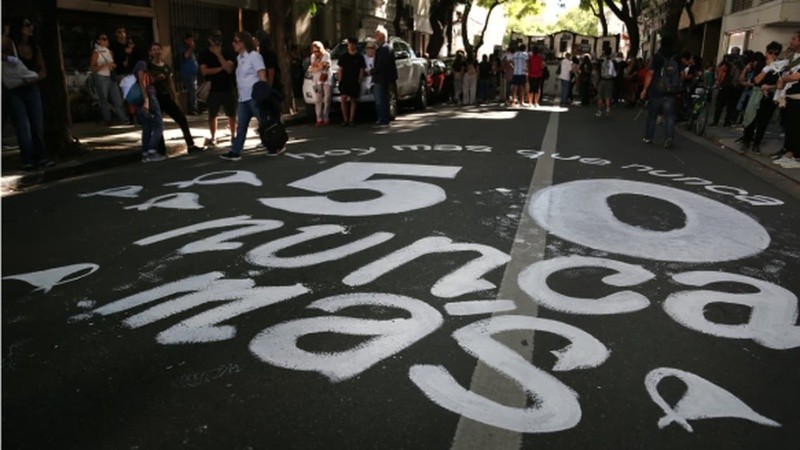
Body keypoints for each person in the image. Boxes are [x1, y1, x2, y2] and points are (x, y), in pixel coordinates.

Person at [219, 31, 282, 160]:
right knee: (241, 125)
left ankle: (276, 144)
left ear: (243, 43)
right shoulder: (239, 58)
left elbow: (262, 75)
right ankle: (235, 151)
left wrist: (263, 93)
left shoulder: (254, 56)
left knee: (264, 122)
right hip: (243, 97)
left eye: (236, 41)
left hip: (254, 96)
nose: (233, 44)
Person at [1, 16, 54, 170]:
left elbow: (43, 70)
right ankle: (27, 159)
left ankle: (42, 157)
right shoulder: (9, 44)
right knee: (23, 125)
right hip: (14, 90)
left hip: (31, 88)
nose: (30, 28)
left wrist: (35, 78)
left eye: (32, 25)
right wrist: (8, 57)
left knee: (36, 125)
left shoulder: (34, 48)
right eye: (26, 25)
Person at [147, 42, 203, 155]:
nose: (157, 51)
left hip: (166, 96)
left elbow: (170, 82)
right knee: (158, 124)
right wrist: (156, 79)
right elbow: (146, 82)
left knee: (181, 118)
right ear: (151, 52)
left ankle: (190, 144)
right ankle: (161, 150)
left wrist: (175, 97)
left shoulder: (165, 66)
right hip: (154, 98)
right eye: (154, 49)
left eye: (158, 49)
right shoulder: (149, 67)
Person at [739, 42, 782, 154]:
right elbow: (756, 80)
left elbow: (780, 83)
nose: (773, 55)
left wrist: (769, 86)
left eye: (776, 53)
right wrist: (767, 68)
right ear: (766, 52)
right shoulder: (761, 64)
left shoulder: (780, 67)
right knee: (751, 118)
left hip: (770, 95)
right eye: (771, 53)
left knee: (763, 122)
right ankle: (746, 141)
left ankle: (756, 144)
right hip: (757, 94)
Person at [641, 35, 680, 149]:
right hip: (671, 91)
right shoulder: (677, 56)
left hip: (657, 90)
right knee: (669, 116)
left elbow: (650, 73)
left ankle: (649, 136)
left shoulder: (658, 56)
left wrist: (644, 89)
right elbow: (681, 74)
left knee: (652, 115)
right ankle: (669, 137)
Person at [198, 30, 236, 147]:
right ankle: (213, 136)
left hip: (228, 87)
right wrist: (221, 68)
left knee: (231, 114)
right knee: (212, 114)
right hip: (212, 89)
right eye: (214, 38)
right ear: (209, 39)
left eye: (219, 37)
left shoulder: (228, 52)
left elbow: (229, 69)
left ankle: (233, 135)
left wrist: (219, 54)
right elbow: (204, 71)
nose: (217, 40)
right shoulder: (204, 53)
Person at [770, 30, 800, 169]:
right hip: (788, 96)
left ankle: (795, 155)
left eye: (794, 39)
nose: (791, 41)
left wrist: (784, 78)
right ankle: (788, 151)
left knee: (795, 126)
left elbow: (796, 76)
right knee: (788, 126)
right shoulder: (792, 57)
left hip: (797, 97)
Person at [131, 52, 166, 163]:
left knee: (147, 126)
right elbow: (142, 82)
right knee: (159, 125)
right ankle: (151, 151)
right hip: (148, 96)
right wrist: (146, 100)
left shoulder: (141, 65)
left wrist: (155, 79)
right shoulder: (142, 64)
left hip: (143, 97)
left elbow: (145, 81)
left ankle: (146, 152)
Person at [89, 32, 129, 126]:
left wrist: (112, 65)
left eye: (106, 38)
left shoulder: (109, 51)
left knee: (117, 99)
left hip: (110, 76)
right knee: (104, 99)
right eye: (103, 39)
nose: (106, 40)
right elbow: (92, 68)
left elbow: (113, 63)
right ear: (98, 41)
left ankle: (124, 118)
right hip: (101, 77)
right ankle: (108, 119)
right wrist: (103, 65)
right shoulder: (96, 53)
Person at [372, 26, 397, 127]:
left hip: (382, 78)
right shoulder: (384, 48)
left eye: (377, 34)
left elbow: (381, 64)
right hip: (384, 77)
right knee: (382, 99)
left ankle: (383, 120)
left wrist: (373, 71)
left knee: (380, 99)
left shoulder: (384, 48)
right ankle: (383, 118)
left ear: (382, 36)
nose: (375, 36)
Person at [337, 37, 365, 126]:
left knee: (353, 99)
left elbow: (362, 69)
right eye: (350, 44)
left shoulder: (359, 57)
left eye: (353, 44)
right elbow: (340, 69)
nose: (351, 45)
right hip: (345, 81)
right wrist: (340, 80)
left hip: (354, 81)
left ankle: (351, 119)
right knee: (343, 98)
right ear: (348, 45)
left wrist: (359, 79)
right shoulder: (343, 56)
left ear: (355, 45)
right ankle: (345, 119)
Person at [259, 33, 285, 123]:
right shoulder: (260, 54)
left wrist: (269, 86)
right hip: (266, 84)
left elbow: (271, 71)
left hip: (271, 84)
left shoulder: (268, 53)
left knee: (273, 109)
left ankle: (275, 126)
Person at [308, 40, 331, 126]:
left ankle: (326, 118)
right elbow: (312, 69)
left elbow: (325, 65)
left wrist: (318, 66)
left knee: (327, 99)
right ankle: (319, 118)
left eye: (318, 51)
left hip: (326, 79)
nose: (316, 53)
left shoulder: (326, 55)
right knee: (318, 100)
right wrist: (319, 66)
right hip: (316, 80)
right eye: (314, 51)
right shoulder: (312, 56)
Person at [178, 34, 199, 115]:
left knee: (194, 91)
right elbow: (186, 55)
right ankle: (193, 108)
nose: (192, 42)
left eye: (192, 40)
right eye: (190, 40)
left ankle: (195, 107)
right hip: (188, 74)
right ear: (186, 40)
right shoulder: (183, 48)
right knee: (192, 90)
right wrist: (191, 48)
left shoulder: (192, 50)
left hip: (193, 73)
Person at [597, 49, 616, 116]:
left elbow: (597, 64)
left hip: (602, 80)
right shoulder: (612, 62)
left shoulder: (601, 61)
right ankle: (607, 109)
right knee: (608, 96)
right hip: (609, 80)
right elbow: (614, 74)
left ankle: (599, 110)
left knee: (600, 96)